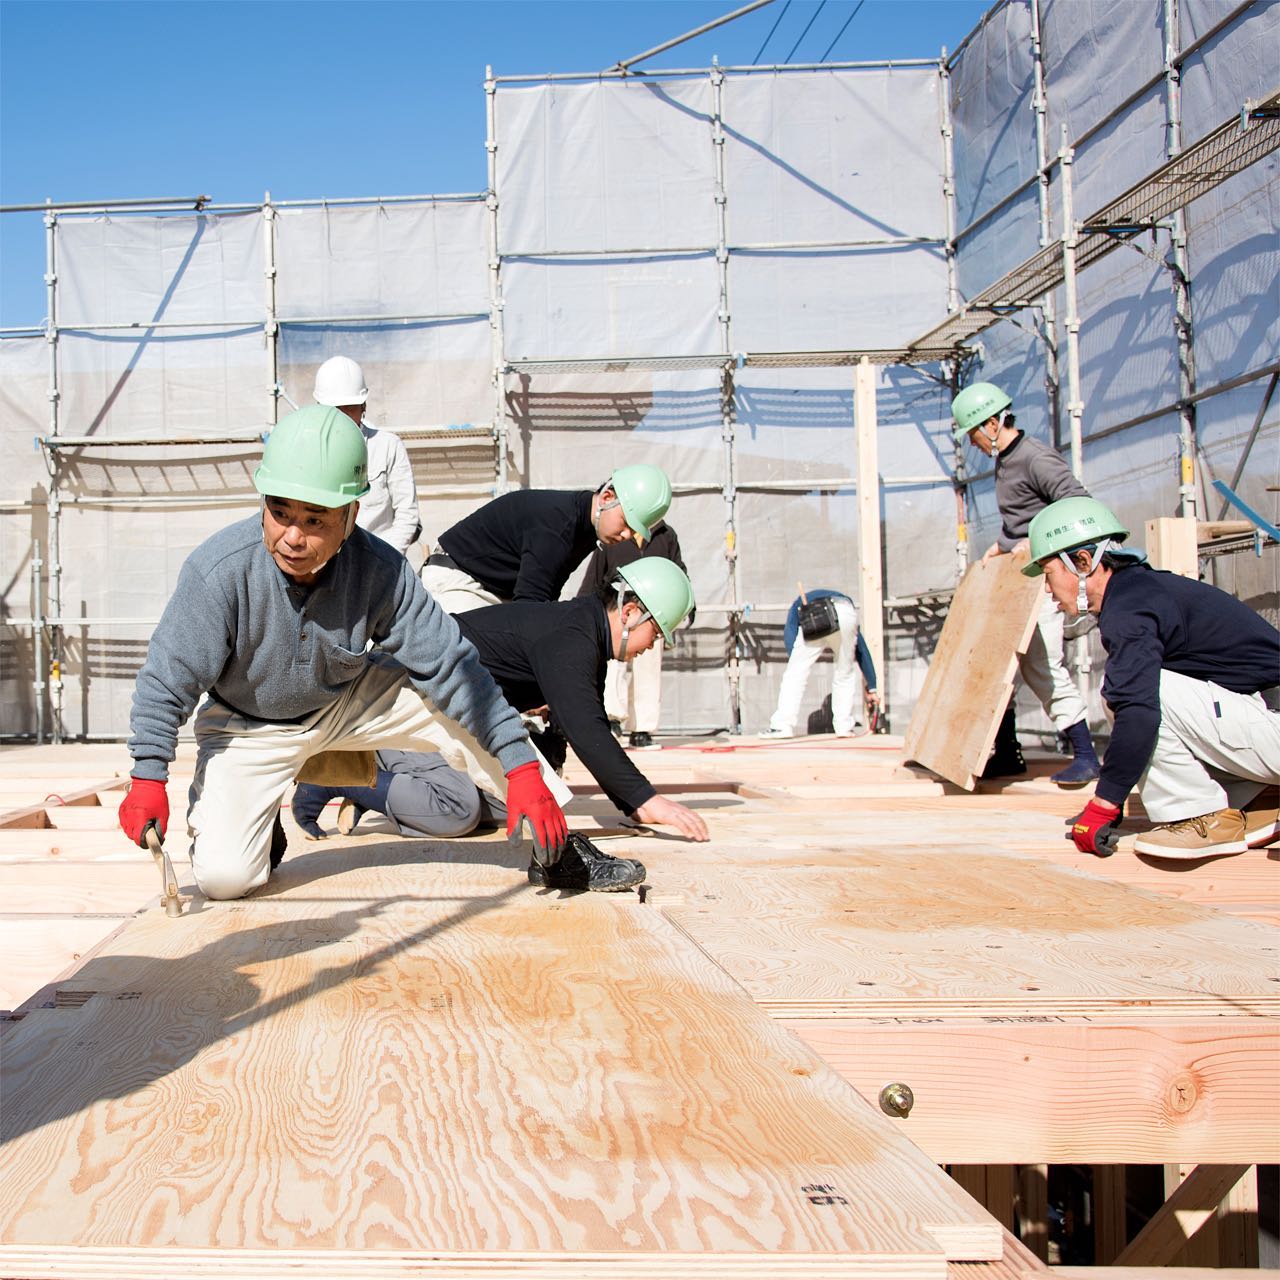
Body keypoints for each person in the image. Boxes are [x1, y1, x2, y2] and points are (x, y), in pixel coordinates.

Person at [117, 404, 570, 900]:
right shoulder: (220, 571)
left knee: (456, 705)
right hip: (250, 721)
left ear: (352, 515)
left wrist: (520, 766)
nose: (292, 536)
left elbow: (453, 668)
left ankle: (564, 852)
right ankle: (262, 827)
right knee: (226, 880)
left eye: (315, 519)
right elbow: (167, 680)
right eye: (280, 512)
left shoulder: (382, 571)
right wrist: (147, 773)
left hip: (348, 699)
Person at [292, 558, 710, 891]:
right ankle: (339, 777)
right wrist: (643, 800)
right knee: (458, 810)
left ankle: (548, 850)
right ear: (631, 611)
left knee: (503, 813)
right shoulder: (572, 637)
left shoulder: (584, 634)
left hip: (450, 717)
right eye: (655, 634)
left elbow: (576, 720)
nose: (653, 646)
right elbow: (588, 730)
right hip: (407, 708)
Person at [1023, 496, 1280, 860]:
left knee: (1129, 694)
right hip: (1269, 722)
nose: (1048, 591)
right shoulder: (1144, 592)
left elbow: (1138, 710)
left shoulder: (1129, 609)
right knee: (1134, 688)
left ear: (1082, 562)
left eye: (1048, 575)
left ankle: (1200, 817)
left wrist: (1105, 802)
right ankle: (1261, 798)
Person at [952, 381, 1103, 786]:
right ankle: (1007, 752)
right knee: (1000, 662)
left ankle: (1086, 756)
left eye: (972, 434)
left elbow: (1076, 503)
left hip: (1044, 579)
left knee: (1042, 665)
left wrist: (1043, 550)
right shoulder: (1006, 460)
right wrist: (1002, 547)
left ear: (991, 423)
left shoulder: (1035, 457)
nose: (973, 443)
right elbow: (1021, 519)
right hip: (1021, 578)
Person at [420, 464, 672, 614]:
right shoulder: (559, 524)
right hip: (458, 581)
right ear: (607, 498)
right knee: (469, 678)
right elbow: (529, 608)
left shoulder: (584, 525)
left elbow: (544, 598)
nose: (627, 535)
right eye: (626, 522)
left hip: (488, 589)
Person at [576, 518, 689, 748]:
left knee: (648, 668)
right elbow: (597, 573)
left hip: (654, 615)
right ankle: (612, 718)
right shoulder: (616, 532)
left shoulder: (665, 535)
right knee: (614, 665)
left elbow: (678, 573)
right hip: (616, 611)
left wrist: (688, 608)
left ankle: (642, 728)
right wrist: (582, 605)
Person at [314, 355, 422, 562]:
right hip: (324, 564)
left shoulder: (388, 446)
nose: (342, 417)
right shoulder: (307, 449)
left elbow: (407, 514)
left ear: (363, 406)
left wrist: (384, 562)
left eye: (350, 407)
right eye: (334, 409)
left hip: (378, 561)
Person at [762, 588, 878, 738]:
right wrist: (872, 686)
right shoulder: (841, 601)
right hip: (845, 611)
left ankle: (782, 726)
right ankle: (844, 727)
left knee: (795, 673)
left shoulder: (797, 606)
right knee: (845, 671)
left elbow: (790, 632)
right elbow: (861, 649)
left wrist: (795, 659)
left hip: (814, 611)